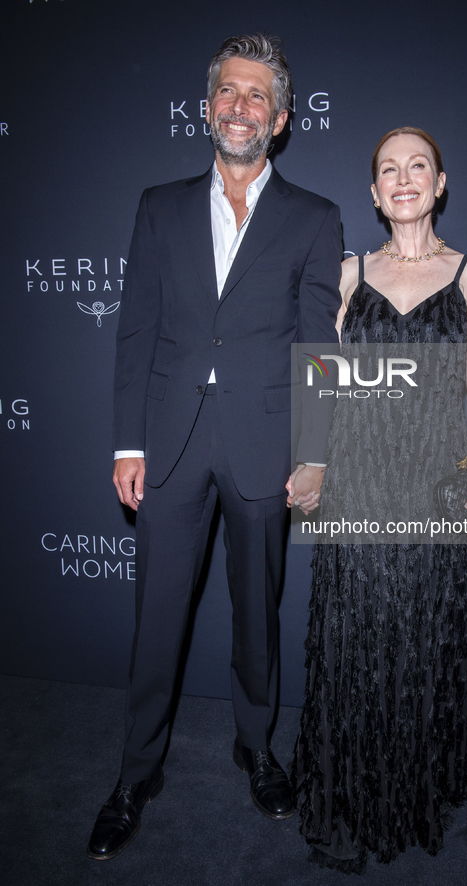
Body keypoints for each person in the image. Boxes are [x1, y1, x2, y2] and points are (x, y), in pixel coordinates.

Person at [87, 33, 341, 861]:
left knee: (256, 617)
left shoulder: (315, 216)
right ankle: (135, 773)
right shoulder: (157, 205)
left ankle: (255, 747)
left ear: (281, 117)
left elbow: (317, 345)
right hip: (168, 444)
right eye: (227, 93)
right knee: (157, 617)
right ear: (208, 108)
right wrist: (128, 442)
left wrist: (312, 452)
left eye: (256, 95)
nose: (239, 106)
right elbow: (136, 331)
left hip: (265, 446)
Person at [291, 127, 467, 871]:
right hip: (358, 474)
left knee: (424, 630)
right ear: (375, 193)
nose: (404, 178)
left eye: (418, 165)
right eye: (389, 169)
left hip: (434, 480)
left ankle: (420, 770)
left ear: (440, 182)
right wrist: (312, 462)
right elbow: (319, 374)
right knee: (358, 634)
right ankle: (355, 791)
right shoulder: (348, 271)